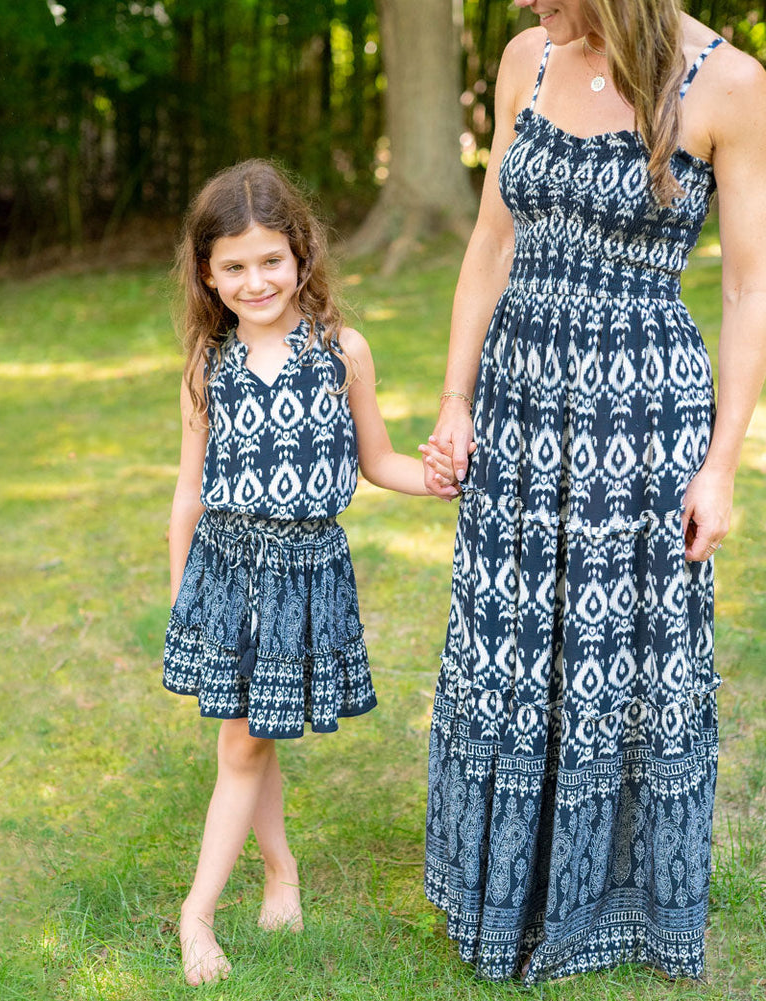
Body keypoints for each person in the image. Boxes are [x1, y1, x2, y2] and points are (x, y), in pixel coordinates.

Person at [422, 0, 766, 984]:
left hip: (639, 413)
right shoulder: (525, 55)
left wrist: (721, 463)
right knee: (511, 635)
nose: (534, 4)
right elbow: (490, 242)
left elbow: (745, 288)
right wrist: (454, 398)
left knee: (617, 652)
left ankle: (602, 902)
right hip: (518, 392)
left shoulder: (726, 86)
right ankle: (500, 884)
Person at [163, 159, 458, 986]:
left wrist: (438, 477)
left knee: (254, 736)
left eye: (269, 260)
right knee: (246, 742)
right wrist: (183, 592)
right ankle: (201, 912)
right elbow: (188, 494)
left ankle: (279, 872)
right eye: (233, 265)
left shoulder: (342, 351)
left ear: (301, 254)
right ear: (207, 273)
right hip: (225, 569)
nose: (255, 280)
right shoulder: (205, 365)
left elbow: (379, 460)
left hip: (306, 571)